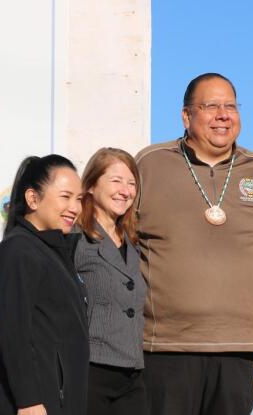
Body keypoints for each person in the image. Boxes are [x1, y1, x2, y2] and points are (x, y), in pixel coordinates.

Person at [135, 72, 253, 415]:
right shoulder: (149, 164)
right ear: (186, 116)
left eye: (231, 106)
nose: (223, 115)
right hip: (163, 349)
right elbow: (120, 248)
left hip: (237, 350)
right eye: (211, 106)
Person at [0, 155, 89, 415]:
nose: (75, 208)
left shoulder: (56, 253)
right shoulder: (19, 250)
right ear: (33, 199)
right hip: (35, 404)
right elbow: (14, 332)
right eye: (65, 197)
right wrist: (28, 400)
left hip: (61, 400)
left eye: (79, 199)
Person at [75, 147, 148, 415]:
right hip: (89, 370)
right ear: (92, 185)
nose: (125, 190)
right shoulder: (74, 237)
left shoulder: (134, 244)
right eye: (116, 180)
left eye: (131, 184)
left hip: (132, 373)